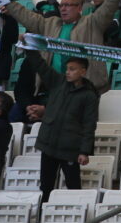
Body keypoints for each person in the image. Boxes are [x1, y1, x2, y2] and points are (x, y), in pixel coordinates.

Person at [29, 52, 98, 200]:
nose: (68, 72)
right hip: (48, 144)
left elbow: (89, 124)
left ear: (83, 71)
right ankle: (43, 216)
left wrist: (84, 151)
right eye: (67, 68)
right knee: (45, 186)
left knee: (73, 187)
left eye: (72, 69)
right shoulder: (58, 81)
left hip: (70, 149)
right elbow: (41, 66)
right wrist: (30, 48)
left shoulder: (89, 96)